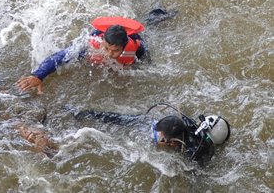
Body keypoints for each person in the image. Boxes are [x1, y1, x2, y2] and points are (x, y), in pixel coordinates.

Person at [17, 16, 149, 94]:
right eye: (107, 48)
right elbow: (61, 56)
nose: (109, 54)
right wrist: (38, 75)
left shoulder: (136, 48)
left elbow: (144, 64)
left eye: (116, 51)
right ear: (103, 41)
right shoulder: (92, 43)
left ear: (124, 47)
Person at [74, 103, 231, 165]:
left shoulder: (193, 154)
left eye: (159, 137)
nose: (154, 136)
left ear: (173, 143)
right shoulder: (164, 128)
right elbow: (119, 119)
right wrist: (87, 114)